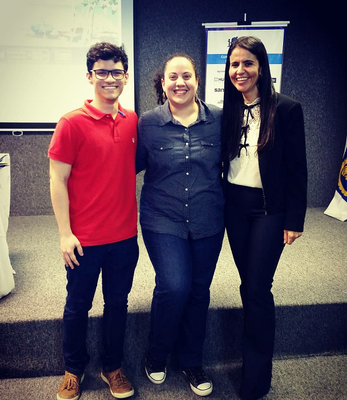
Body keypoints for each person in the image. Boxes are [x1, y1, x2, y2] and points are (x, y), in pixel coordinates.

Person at [48, 42, 139, 400]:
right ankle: (73, 369)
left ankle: (112, 366)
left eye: (116, 71)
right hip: (83, 239)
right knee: (78, 305)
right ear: (89, 76)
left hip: (123, 237)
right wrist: (65, 234)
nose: (109, 78)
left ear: (125, 76)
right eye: (101, 71)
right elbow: (57, 180)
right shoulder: (71, 123)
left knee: (118, 304)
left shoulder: (132, 120)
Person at [222, 36, 307, 400]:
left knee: (257, 289)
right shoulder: (227, 109)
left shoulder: (286, 108)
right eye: (234, 65)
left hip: (269, 209)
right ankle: (251, 357)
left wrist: (295, 219)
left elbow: (297, 169)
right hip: (234, 207)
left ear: (261, 67)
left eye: (247, 64)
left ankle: (256, 378)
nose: (240, 71)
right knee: (248, 285)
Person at [136, 53, 225, 397]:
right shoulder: (148, 122)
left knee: (198, 291)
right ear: (163, 83)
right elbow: (127, 166)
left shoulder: (218, 118)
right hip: (162, 217)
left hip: (208, 218)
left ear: (197, 80)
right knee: (174, 286)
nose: (180, 83)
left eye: (186, 76)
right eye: (172, 77)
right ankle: (156, 355)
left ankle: (191, 360)